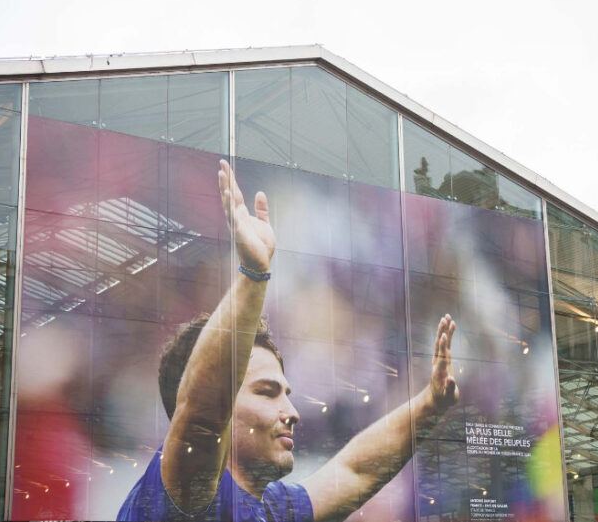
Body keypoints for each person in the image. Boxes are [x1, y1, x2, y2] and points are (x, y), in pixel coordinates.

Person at [118, 160, 460, 522]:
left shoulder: (273, 507)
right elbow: (201, 412)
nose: (293, 413)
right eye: (267, 392)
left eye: (285, 393)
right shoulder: (186, 495)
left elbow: (355, 470)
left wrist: (429, 405)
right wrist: (254, 274)